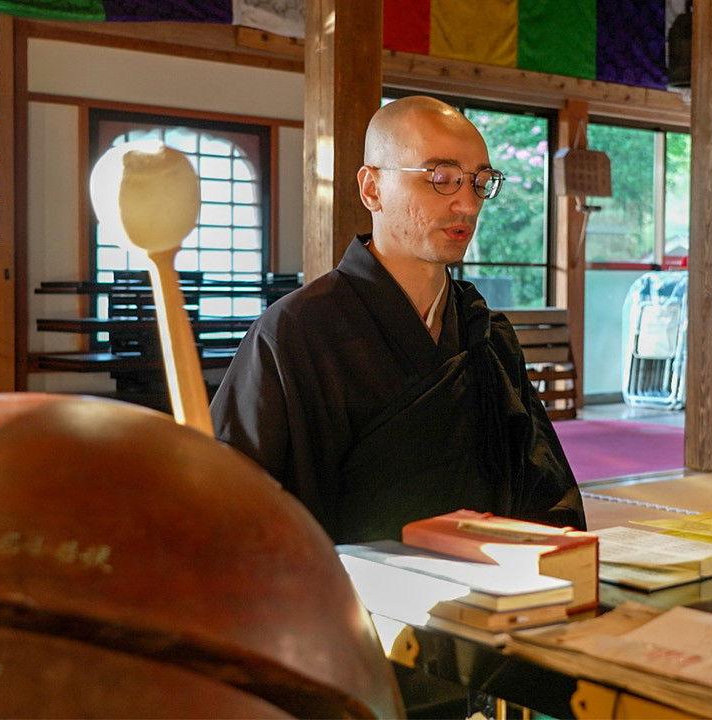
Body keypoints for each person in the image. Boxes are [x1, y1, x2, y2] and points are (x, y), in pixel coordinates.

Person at [210, 96, 584, 543]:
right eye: (441, 178)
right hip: (347, 584)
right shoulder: (295, 333)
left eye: (480, 182)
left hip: (491, 578)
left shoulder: (484, 334)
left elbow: (544, 489)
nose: (468, 204)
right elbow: (236, 507)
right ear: (372, 188)